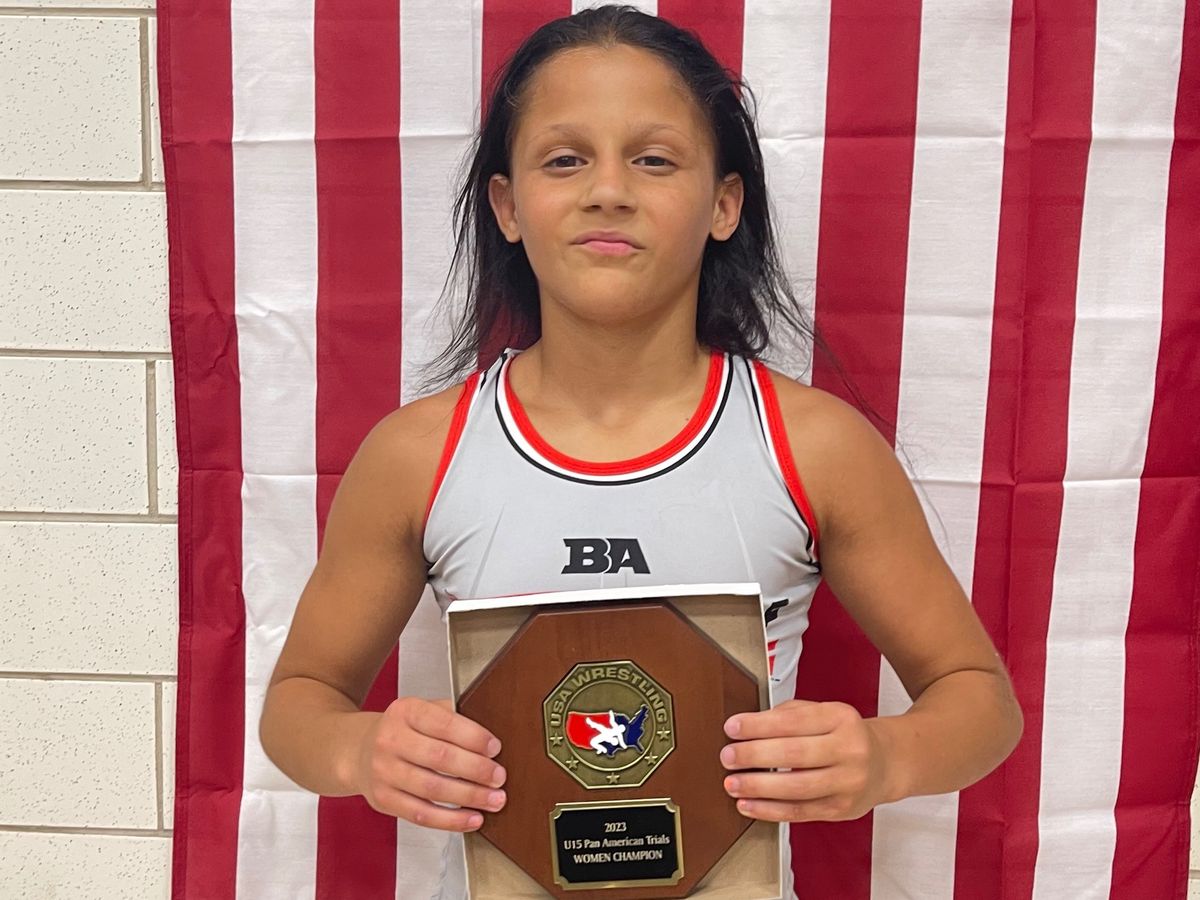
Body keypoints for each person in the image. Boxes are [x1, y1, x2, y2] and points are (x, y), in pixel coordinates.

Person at [259, 6, 1024, 898]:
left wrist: (887, 756)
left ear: (725, 204)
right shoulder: (418, 453)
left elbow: (981, 700)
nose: (608, 190)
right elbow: (297, 703)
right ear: (507, 206)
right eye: (564, 159)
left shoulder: (812, 446)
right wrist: (361, 749)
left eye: (654, 159)